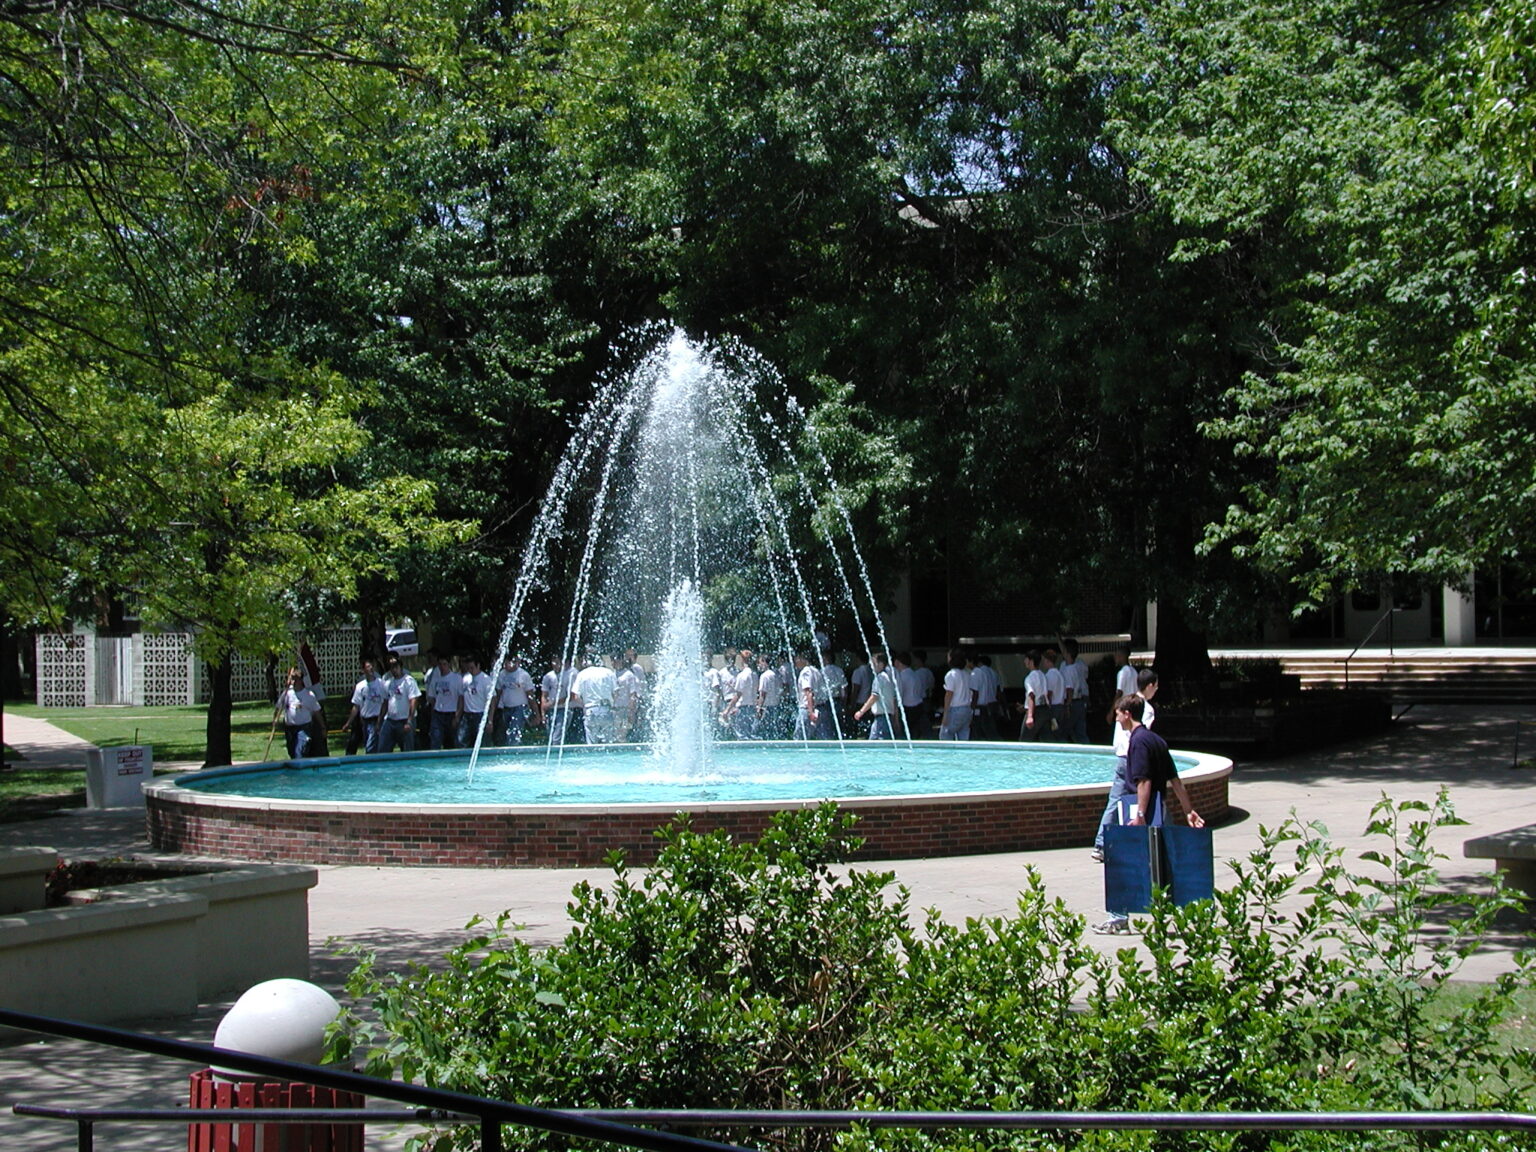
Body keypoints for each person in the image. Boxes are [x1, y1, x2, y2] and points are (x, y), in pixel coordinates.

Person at [1094, 693, 1204, 935]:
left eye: (1118, 714)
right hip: (1159, 809)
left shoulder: (1138, 742)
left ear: (1127, 714)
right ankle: (1180, 912)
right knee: (1163, 863)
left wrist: (1140, 814)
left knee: (1123, 861)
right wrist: (1189, 810)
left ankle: (1118, 919)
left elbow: (1144, 781)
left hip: (1142, 810)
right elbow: (1175, 780)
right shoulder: (1157, 740)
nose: (1116, 719)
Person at [1093, 667, 1161, 860]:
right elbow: (1141, 736)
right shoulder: (1145, 708)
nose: (1156, 690)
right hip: (1133, 759)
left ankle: (1101, 844)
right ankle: (1145, 842)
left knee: (1115, 802)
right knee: (1143, 800)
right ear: (1149, 686)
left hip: (1121, 757)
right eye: (1155, 686)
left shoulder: (1125, 703)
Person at [340, 656, 386, 756]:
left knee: (370, 747)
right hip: (365, 721)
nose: (370, 669)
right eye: (368, 667)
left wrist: (380, 720)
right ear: (363, 670)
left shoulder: (381, 683)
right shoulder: (360, 686)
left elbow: (385, 703)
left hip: (376, 719)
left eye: (371, 666)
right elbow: (356, 706)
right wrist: (348, 723)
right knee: (369, 746)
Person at [377, 656, 421, 753]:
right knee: (382, 748)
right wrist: (379, 721)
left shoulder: (408, 681)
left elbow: (413, 701)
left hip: (404, 720)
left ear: (400, 667)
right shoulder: (388, 683)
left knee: (407, 749)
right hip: (390, 720)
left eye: (396, 666)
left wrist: (409, 720)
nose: (394, 669)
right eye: (391, 667)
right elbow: (385, 703)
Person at [275, 668, 322, 759]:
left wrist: (322, 727)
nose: (292, 681)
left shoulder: (309, 695)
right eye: (291, 678)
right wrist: (275, 720)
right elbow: (278, 707)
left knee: (299, 752)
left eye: (295, 679)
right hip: (289, 728)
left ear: (300, 680)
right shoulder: (287, 693)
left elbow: (317, 712)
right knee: (292, 752)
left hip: (303, 728)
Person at [853, 651, 900, 740]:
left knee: (874, 746)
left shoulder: (879, 678)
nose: (871, 666)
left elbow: (874, 696)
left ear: (881, 664)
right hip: (888, 717)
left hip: (881, 719)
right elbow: (894, 699)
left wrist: (861, 711)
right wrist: (896, 719)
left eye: (874, 663)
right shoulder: (888, 678)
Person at [571, 655, 618, 744]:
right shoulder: (609, 672)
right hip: (606, 709)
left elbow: (575, 696)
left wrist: (584, 706)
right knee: (608, 744)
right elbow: (616, 693)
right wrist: (612, 704)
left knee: (592, 745)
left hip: (590, 710)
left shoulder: (582, 674)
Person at [494, 654, 535, 746]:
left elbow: (530, 695)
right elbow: (498, 693)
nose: (508, 665)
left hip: (520, 707)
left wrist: (535, 712)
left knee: (514, 732)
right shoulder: (502, 674)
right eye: (506, 663)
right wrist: (495, 709)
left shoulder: (523, 675)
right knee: (505, 731)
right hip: (506, 707)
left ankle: (514, 748)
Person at [456, 656, 494, 748]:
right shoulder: (465, 678)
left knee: (482, 742)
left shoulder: (486, 680)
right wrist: (457, 715)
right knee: (461, 741)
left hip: (480, 714)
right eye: (468, 668)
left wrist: (490, 720)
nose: (470, 670)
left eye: (472, 668)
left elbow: (492, 702)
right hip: (467, 714)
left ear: (478, 666)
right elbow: (461, 698)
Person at [721, 648, 758, 739]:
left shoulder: (742, 675)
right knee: (748, 734)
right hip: (751, 706)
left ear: (742, 660)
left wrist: (727, 709)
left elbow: (738, 695)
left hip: (742, 707)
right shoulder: (754, 674)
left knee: (741, 736)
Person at [938, 647, 974, 741]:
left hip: (955, 709)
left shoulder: (951, 674)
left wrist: (945, 714)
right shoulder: (967, 674)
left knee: (945, 736)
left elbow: (949, 694)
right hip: (967, 708)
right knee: (963, 739)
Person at [428, 653, 462, 750]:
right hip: (438, 714)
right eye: (440, 664)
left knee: (452, 742)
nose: (442, 667)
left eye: (444, 664)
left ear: (449, 664)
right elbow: (432, 697)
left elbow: (461, 698)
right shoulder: (435, 679)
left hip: (451, 713)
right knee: (436, 740)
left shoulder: (456, 678)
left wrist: (457, 716)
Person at [1061, 638, 1091, 744]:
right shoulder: (1077, 667)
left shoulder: (1068, 669)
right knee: (1080, 732)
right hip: (1080, 701)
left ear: (1068, 653)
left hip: (1072, 703)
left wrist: (1067, 705)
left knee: (1063, 732)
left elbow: (1069, 689)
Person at [793, 649, 828, 740]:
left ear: (802, 659)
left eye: (796, 659)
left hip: (807, 709)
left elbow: (808, 692)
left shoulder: (806, 672)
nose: (795, 662)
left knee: (799, 738)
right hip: (820, 708)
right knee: (821, 738)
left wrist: (811, 712)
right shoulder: (816, 670)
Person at [543, 655, 577, 744]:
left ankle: (556, 754)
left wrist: (552, 703)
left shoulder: (571, 674)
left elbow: (571, 696)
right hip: (551, 710)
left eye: (557, 662)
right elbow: (544, 695)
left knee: (556, 737)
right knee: (550, 736)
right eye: (553, 662)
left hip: (565, 709)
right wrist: (543, 712)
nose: (554, 665)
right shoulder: (548, 676)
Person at [1020, 650, 1051, 742]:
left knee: (1025, 740)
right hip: (1044, 709)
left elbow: (1031, 696)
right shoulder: (1043, 675)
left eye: (1026, 659)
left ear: (1031, 661)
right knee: (1046, 740)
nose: (1024, 662)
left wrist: (1030, 716)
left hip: (1035, 711)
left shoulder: (1029, 678)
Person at [894, 651, 924, 740]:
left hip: (907, 709)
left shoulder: (901, 676)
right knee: (915, 734)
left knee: (905, 735)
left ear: (898, 662)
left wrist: (895, 717)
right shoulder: (915, 674)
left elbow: (899, 696)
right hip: (918, 706)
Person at [970, 654, 1000, 740]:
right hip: (992, 703)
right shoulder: (994, 673)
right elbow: (998, 691)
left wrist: (972, 708)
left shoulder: (978, 672)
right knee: (991, 728)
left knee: (979, 729)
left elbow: (975, 692)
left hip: (980, 705)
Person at [756, 652, 786, 738]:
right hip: (777, 706)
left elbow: (762, 694)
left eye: (760, 662)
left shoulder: (765, 676)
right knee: (775, 732)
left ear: (764, 662)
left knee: (761, 731)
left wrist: (759, 708)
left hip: (767, 708)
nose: (759, 665)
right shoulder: (777, 674)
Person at [613, 653, 642, 742]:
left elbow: (632, 693)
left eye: (614, 660)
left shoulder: (629, 675)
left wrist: (631, 710)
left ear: (621, 660)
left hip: (625, 709)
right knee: (615, 734)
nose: (612, 663)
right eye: (612, 661)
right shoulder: (612, 674)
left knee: (623, 734)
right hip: (615, 709)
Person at [1042, 649, 1066, 739]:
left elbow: (1049, 693)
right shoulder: (1059, 674)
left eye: (1044, 660)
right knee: (1060, 733)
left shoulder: (1050, 675)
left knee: (1053, 735)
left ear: (1048, 661)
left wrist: (1048, 708)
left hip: (1054, 707)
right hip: (1061, 705)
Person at [911, 650, 935, 737]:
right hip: (927, 698)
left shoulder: (916, 673)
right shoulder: (929, 672)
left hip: (919, 700)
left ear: (918, 660)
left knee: (919, 721)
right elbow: (932, 685)